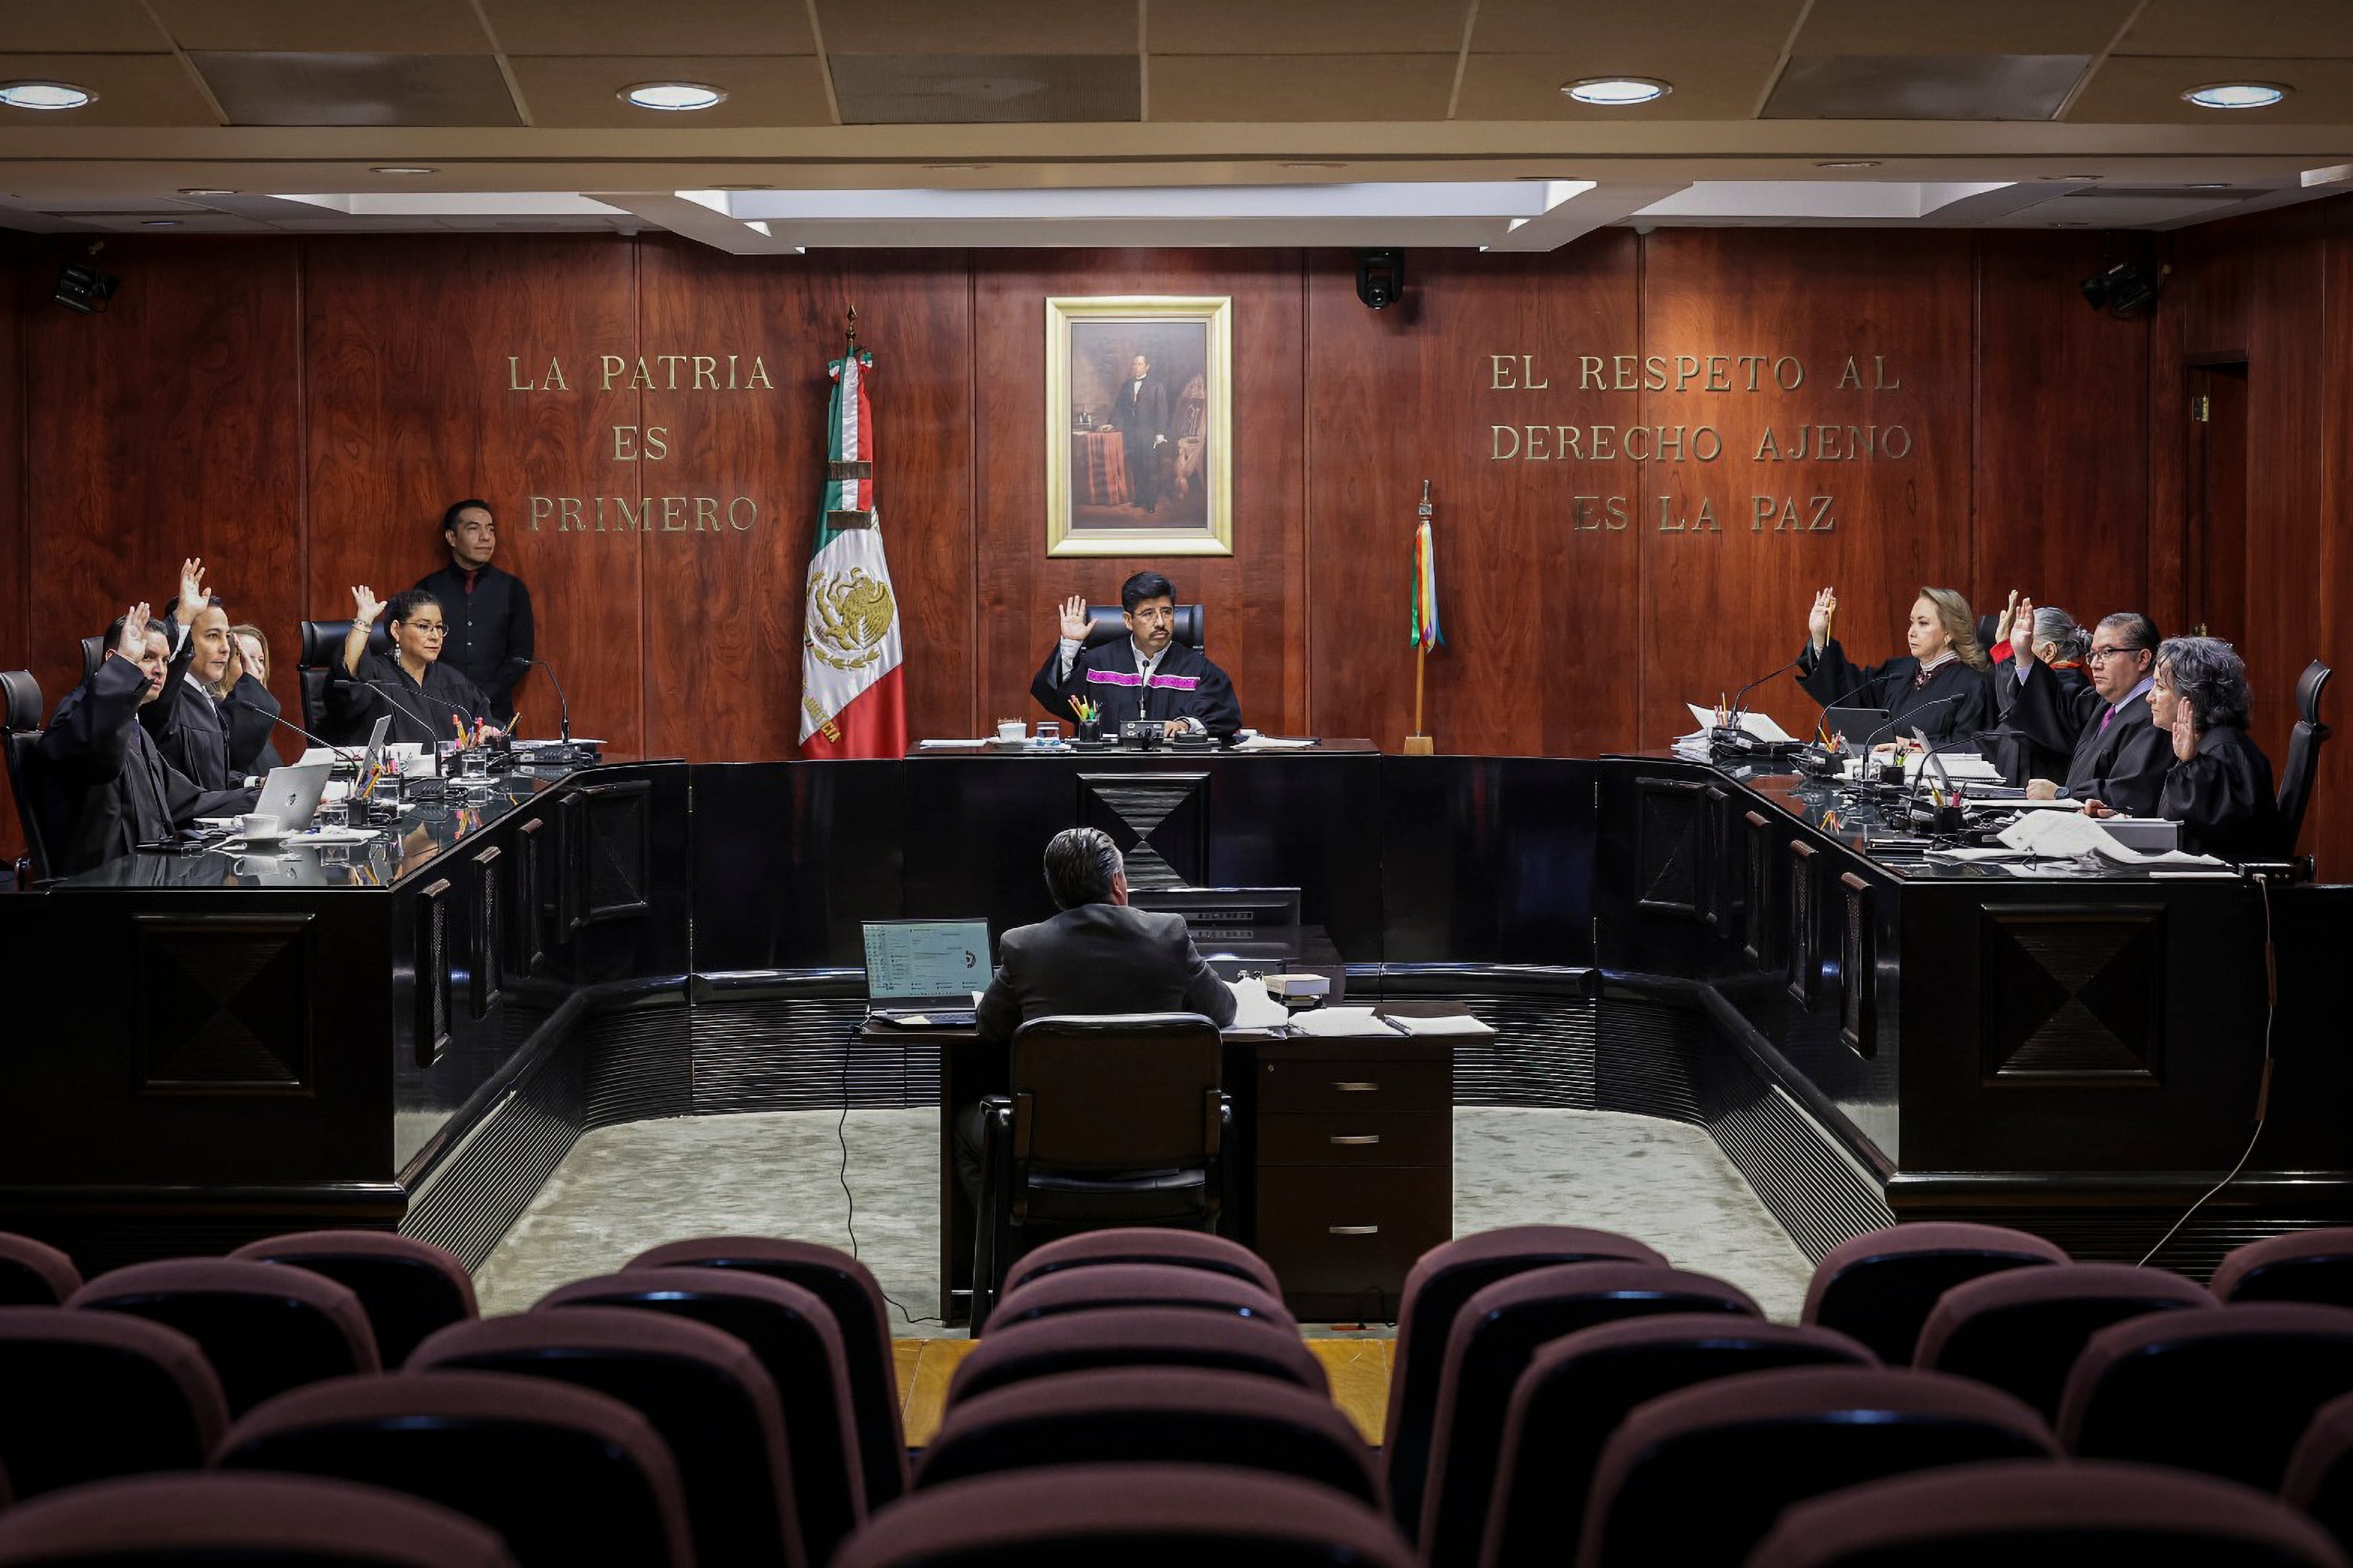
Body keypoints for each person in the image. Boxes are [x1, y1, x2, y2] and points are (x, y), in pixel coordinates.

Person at [953, 826, 1239, 1203]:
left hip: (1048, 1142)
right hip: (1161, 1138)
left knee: (964, 1129)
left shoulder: (1024, 946)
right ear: (1118, 881)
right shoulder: (1168, 935)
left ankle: (1017, 1245)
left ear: (1054, 890)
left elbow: (989, 1026)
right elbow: (1223, 1010)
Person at [38, 603, 256, 876]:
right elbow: (98, 755)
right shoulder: (77, 714)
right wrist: (124, 668)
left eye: (165, 660)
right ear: (114, 659)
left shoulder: (137, 729)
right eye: (147, 657)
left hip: (147, 879)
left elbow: (189, 802)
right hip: (103, 890)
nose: (160, 670)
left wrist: (266, 797)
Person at [2091, 636, 2279, 860]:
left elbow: (2207, 840)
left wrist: (2191, 765)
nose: (2149, 698)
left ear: (2192, 696)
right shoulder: (2202, 745)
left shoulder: (2225, 750)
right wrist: (2119, 819)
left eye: (2160, 687)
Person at [1029, 569, 1242, 739]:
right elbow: (1055, 697)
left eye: (1166, 612)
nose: (1160, 622)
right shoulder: (1098, 664)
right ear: (1128, 621)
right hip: (1106, 773)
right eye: (1148, 614)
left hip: (1175, 774)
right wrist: (1070, 644)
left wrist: (1184, 725)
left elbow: (1225, 716)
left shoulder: (1197, 668)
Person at [2013, 609, 2172, 816]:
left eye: (2107, 652)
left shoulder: (2155, 717)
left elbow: (2131, 794)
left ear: (2142, 659)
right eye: (2093, 654)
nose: (2095, 664)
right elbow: (2057, 713)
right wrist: (2024, 655)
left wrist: (2063, 795)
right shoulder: (2107, 705)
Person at [142, 560, 285, 790]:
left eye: (226, 636)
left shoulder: (203, 697)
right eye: (212, 636)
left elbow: (211, 777)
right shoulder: (164, 699)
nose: (226, 648)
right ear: (187, 641)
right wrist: (183, 620)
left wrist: (257, 783)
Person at [1796, 585, 1992, 748]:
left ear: (1949, 633)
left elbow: (1972, 748)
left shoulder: (1972, 685)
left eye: (1923, 624)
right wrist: (1820, 637)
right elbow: (1849, 693)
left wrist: (1914, 747)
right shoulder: (1898, 672)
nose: (1911, 632)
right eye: (1911, 623)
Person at [415, 499, 534, 725]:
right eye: (473, 529)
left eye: (490, 529)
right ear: (451, 537)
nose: (486, 537)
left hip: (495, 712)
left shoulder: (512, 588)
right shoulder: (428, 589)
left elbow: (521, 655)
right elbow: (416, 650)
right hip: (439, 708)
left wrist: (486, 695)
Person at [330, 585, 495, 747]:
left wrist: (488, 732)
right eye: (424, 627)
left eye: (439, 627)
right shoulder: (376, 677)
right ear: (396, 630)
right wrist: (364, 622)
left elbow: (486, 722)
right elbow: (348, 683)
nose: (435, 636)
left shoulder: (453, 682)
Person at [1986, 600, 2091, 786]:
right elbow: (2010, 716)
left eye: (2021, 647)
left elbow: (2020, 708)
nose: (2017, 655)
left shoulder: (2071, 689)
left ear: (2048, 651)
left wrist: (2006, 651)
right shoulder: (2048, 684)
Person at [1097, 353, 1171, 515]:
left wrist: (1160, 433)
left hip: (1149, 432)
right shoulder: (1126, 385)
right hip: (1131, 432)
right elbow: (1119, 408)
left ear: (1147, 366)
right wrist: (1112, 423)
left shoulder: (1156, 385)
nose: (1135, 366)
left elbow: (1162, 411)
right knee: (1136, 466)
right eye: (1134, 364)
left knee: (1150, 467)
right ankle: (1140, 498)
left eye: (1139, 364)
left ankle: (1151, 502)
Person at [219, 623, 286, 774]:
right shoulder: (218, 716)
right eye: (245, 658)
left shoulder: (257, 715)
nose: (258, 668)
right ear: (223, 664)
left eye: (261, 660)